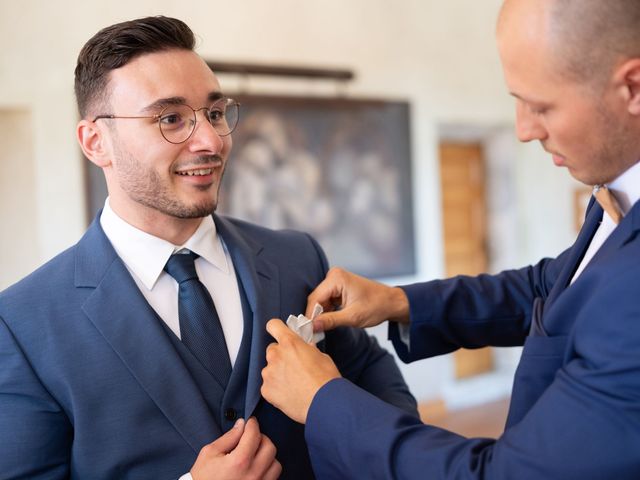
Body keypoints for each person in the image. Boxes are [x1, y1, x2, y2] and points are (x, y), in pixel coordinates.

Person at [0, 16, 418, 480]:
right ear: (96, 142)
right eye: (171, 118)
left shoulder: (295, 258)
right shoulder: (21, 324)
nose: (211, 140)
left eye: (215, 113)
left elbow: (371, 375)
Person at [260, 0, 640, 477]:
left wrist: (323, 402)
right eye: (516, 100)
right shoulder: (617, 195)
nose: (524, 130)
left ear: (633, 87)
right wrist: (399, 301)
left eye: (541, 106)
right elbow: (553, 287)